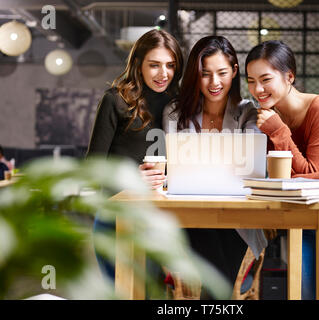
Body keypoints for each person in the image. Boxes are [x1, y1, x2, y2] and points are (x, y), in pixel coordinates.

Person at [245, 40, 319, 300]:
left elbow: (312, 171)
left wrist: (277, 130)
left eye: (266, 79)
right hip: (302, 216)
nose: (258, 89)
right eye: (251, 81)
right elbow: (279, 175)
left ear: (289, 76)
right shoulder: (270, 116)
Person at [163, 35, 268, 296]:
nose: (214, 82)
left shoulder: (248, 112)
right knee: (217, 276)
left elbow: (251, 166)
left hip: (236, 220)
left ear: (234, 71)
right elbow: (172, 167)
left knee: (217, 266)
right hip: (187, 216)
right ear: (195, 75)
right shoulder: (175, 112)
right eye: (205, 74)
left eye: (222, 72)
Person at [86, 29, 183, 281]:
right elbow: (93, 170)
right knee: (121, 290)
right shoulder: (115, 101)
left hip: (162, 219)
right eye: (155, 65)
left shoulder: (181, 105)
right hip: (117, 215)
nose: (164, 74)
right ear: (138, 64)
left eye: (170, 65)